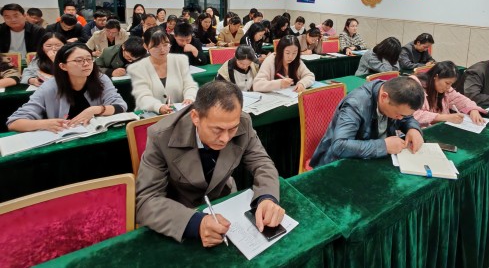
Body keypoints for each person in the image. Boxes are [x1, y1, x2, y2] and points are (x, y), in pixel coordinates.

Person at [135, 81, 284, 245]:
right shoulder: (161, 136)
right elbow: (146, 201)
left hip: (225, 200)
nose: (225, 139)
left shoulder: (242, 122)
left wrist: (267, 197)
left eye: (232, 129)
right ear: (195, 117)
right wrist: (195, 223)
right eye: (217, 130)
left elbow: (262, 163)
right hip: (180, 211)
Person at [7, 43, 128, 132]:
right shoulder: (49, 87)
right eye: (79, 60)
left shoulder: (100, 79)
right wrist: (45, 124)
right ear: (63, 66)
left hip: (95, 133)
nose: (86, 64)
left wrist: (94, 110)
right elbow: (14, 122)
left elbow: (120, 106)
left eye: (89, 59)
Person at [310, 76, 425, 168]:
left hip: (375, 156)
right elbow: (339, 146)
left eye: (404, 115)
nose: (400, 118)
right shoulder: (356, 103)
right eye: (398, 114)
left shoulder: (394, 93)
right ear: (384, 97)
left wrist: (413, 129)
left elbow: (406, 117)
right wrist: (383, 146)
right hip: (341, 163)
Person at [128, 28, 198, 115]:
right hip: (150, 115)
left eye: (165, 45)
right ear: (146, 46)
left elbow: (189, 85)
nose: (162, 50)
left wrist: (189, 98)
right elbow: (142, 96)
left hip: (178, 114)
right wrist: (158, 107)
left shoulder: (180, 60)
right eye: (156, 46)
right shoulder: (137, 68)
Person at [410, 61, 486, 127]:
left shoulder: (445, 89)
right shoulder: (414, 87)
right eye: (447, 83)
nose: (448, 87)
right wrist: (444, 117)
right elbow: (413, 114)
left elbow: (460, 99)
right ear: (436, 76)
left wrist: (473, 110)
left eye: (451, 84)